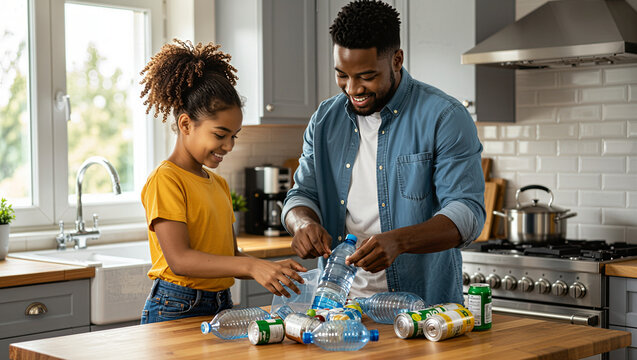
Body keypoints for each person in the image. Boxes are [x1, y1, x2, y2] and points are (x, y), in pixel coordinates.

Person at [282, 1, 485, 306]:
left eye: (366, 76)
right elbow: (301, 195)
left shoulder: (444, 116)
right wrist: (302, 224)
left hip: (422, 310)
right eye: (342, 75)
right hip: (338, 310)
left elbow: (467, 213)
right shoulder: (324, 120)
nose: (352, 89)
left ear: (397, 60)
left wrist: (399, 241)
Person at [139, 39, 306, 324]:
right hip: (177, 304)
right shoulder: (166, 180)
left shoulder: (218, 184)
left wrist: (267, 268)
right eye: (220, 134)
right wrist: (252, 266)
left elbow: (230, 254)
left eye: (234, 136)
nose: (229, 146)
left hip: (221, 302)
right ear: (185, 124)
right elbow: (181, 260)